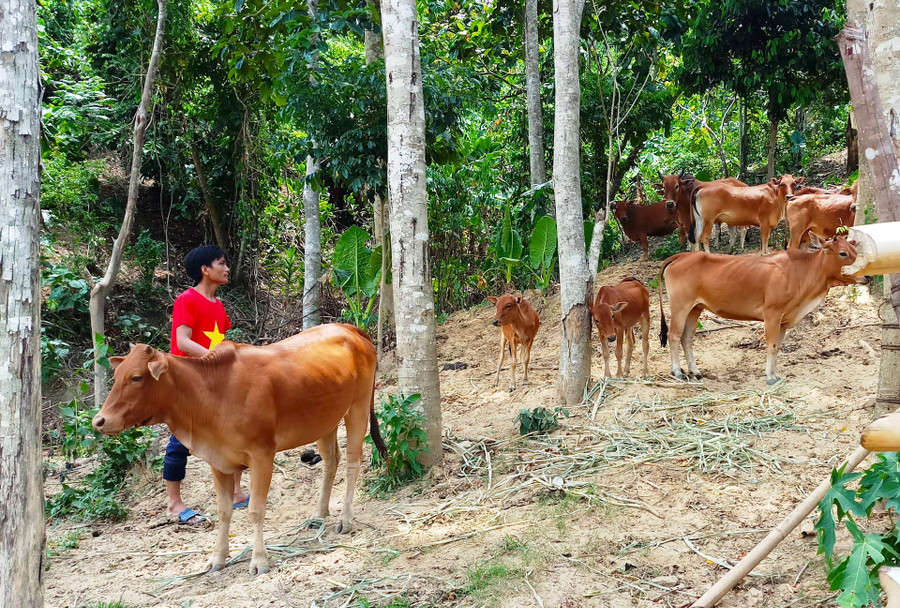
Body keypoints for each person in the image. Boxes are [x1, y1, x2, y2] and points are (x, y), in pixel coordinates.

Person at [164, 244, 249, 525]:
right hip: (187, 380)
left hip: (215, 380)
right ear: (205, 269)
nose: (226, 268)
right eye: (221, 263)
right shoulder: (186, 299)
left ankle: (236, 492)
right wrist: (215, 358)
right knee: (180, 440)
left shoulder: (218, 305)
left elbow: (221, 341)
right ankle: (174, 504)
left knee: (233, 432)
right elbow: (183, 341)